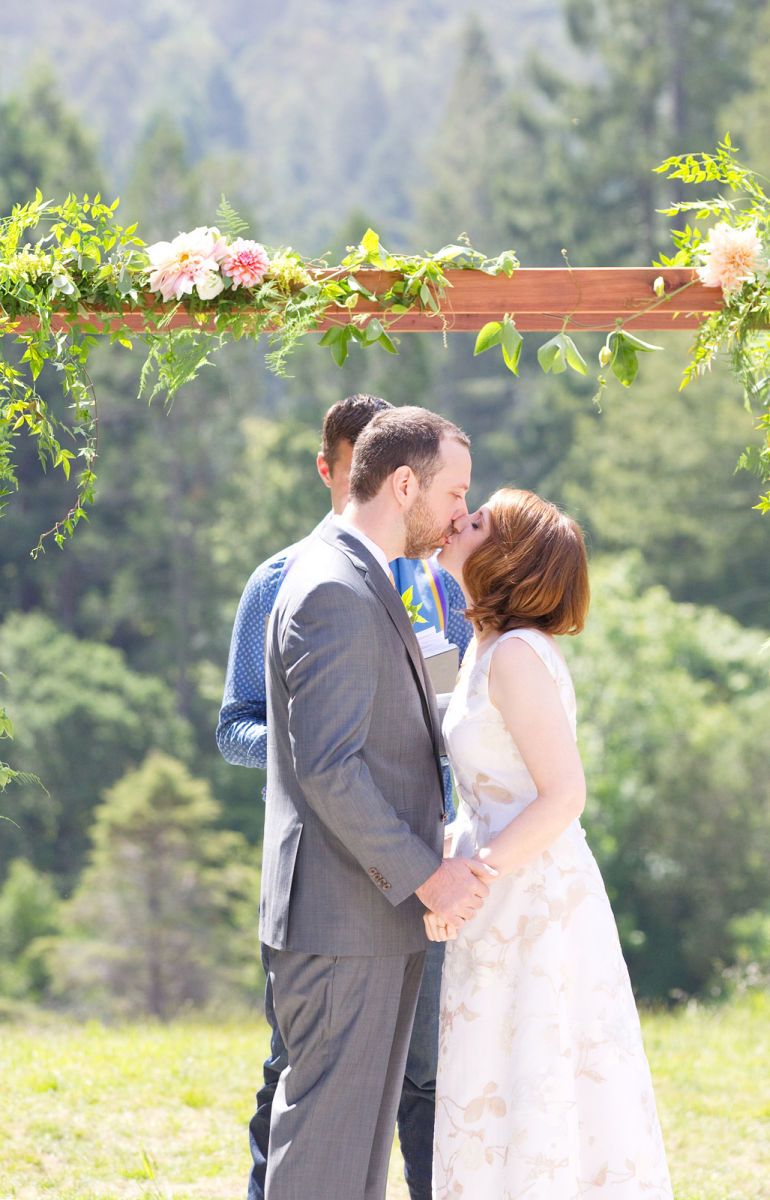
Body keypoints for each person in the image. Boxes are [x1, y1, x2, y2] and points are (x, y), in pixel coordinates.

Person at [217, 397, 473, 1200]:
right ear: (404, 484)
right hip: (345, 916)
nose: (462, 511)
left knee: (354, 1160)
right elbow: (327, 766)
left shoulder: (378, 578)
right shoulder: (329, 586)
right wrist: (427, 875)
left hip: (373, 912)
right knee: (324, 1158)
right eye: (456, 492)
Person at [428, 488, 673, 1199]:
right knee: (496, 1084)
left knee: (537, 1081)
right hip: (499, 895)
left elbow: (564, 794)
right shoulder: (485, 648)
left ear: (505, 558)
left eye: (477, 521)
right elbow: (487, 789)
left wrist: (474, 877)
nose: (459, 520)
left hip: (531, 899)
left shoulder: (515, 656)